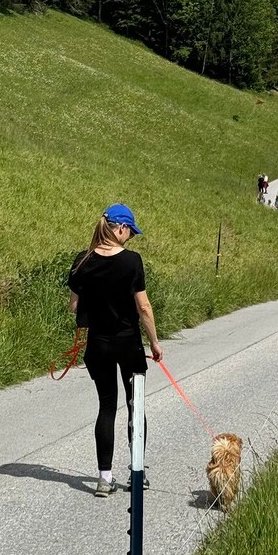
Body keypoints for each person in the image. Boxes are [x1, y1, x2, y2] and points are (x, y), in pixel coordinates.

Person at [68, 203, 163, 498]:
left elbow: (73, 306)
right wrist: (155, 343)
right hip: (128, 344)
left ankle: (104, 478)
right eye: (130, 232)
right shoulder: (132, 262)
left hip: (98, 345)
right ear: (120, 228)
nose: (130, 237)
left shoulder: (82, 261)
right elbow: (144, 307)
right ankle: (137, 472)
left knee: (106, 407)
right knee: (136, 406)